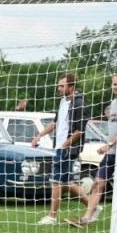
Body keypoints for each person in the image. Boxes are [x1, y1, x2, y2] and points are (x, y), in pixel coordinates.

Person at [70, 73, 117, 228]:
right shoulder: (113, 103)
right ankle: (86, 218)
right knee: (98, 183)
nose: (116, 87)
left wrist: (108, 144)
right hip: (111, 152)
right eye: (114, 84)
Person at [32, 71, 87, 225]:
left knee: (55, 180)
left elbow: (80, 130)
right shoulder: (63, 101)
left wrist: (66, 144)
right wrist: (39, 135)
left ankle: (52, 216)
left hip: (68, 148)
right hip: (60, 146)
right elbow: (55, 123)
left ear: (71, 86)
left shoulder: (79, 103)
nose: (59, 89)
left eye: (62, 86)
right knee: (68, 182)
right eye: (58, 86)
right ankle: (92, 207)